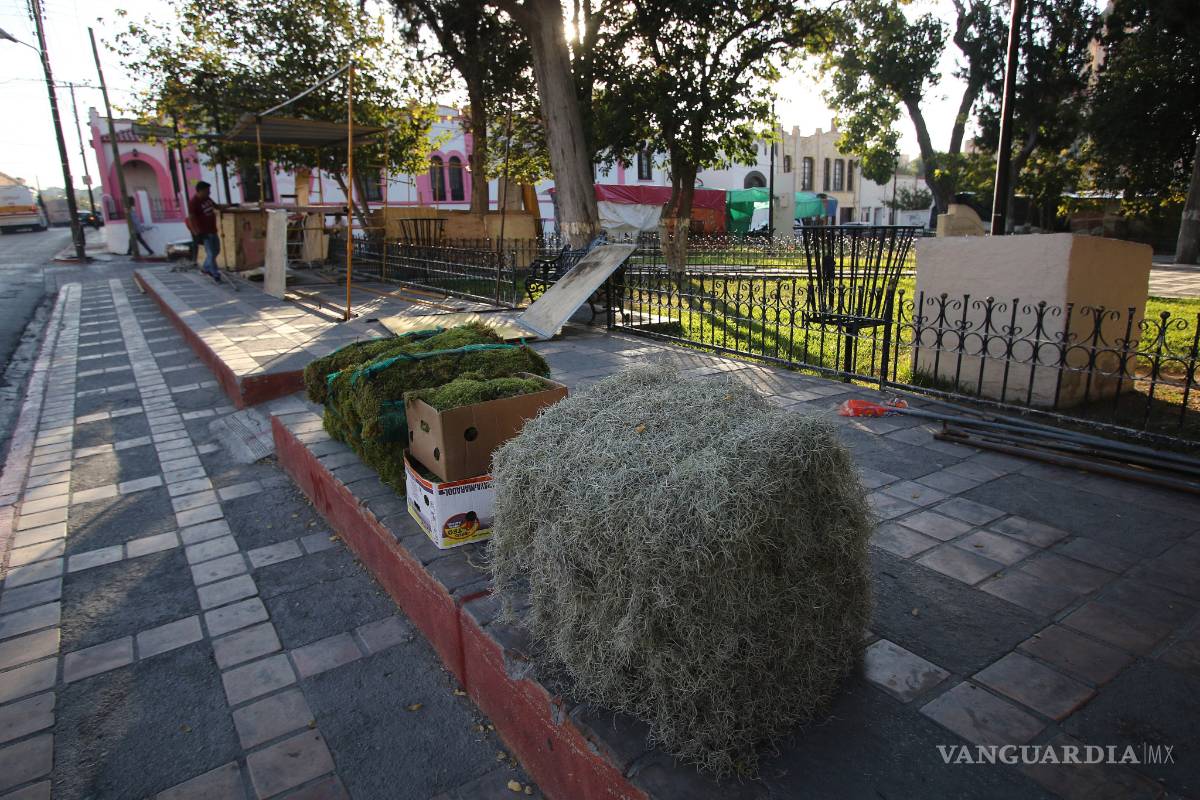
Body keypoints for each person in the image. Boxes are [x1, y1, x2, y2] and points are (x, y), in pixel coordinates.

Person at [187, 181, 222, 282]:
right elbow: (191, 218)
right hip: (204, 231)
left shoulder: (207, 199)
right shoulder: (193, 203)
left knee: (216, 250)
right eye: (207, 191)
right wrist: (197, 233)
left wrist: (230, 206)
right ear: (200, 191)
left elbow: (216, 206)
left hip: (213, 229)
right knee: (210, 252)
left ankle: (206, 268)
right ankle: (214, 273)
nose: (209, 193)